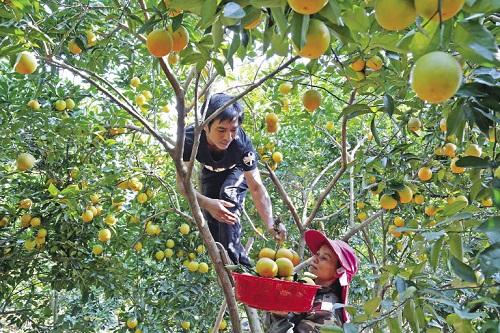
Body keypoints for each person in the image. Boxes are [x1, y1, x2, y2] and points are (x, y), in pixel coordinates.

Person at [177, 93, 286, 266]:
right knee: (213, 230)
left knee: (228, 196)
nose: (228, 137)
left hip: (236, 170)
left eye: (233, 130)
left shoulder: (242, 144)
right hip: (210, 173)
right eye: (221, 130)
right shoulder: (189, 139)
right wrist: (207, 203)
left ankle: (242, 267)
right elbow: (183, 186)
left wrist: (271, 223)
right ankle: (228, 272)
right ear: (205, 126)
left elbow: (256, 187)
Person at [265, 229, 359, 332]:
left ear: (338, 272)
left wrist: (279, 317)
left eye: (324, 258)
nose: (315, 259)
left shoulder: (326, 310)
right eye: (317, 254)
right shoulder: (310, 295)